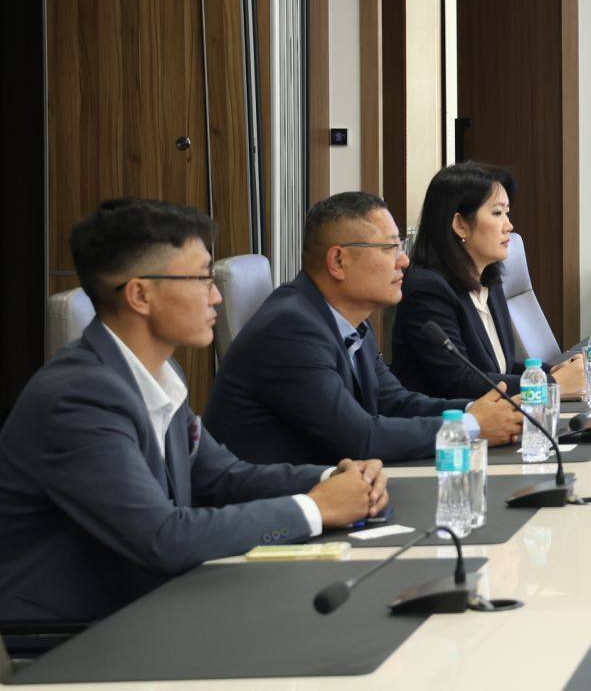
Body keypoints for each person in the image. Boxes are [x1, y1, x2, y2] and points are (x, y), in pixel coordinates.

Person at [0, 199, 386, 626]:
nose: (216, 295)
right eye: (202, 278)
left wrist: (334, 479)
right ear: (140, 294)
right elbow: (163, 537)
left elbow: (223, 477)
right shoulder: (78, 398)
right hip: (65, 637)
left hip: (146, 609)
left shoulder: (158, 372)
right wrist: (314, 509)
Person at [204, 192, 523, 465]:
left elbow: (395, 403)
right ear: (338, 262)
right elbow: (360, 437)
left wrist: (477, 409)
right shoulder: (290, 330)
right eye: (390, 248)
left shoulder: (347, 318)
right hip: (276, 506)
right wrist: (471, 425)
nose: (403, 261)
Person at [390, 162, 582, 400]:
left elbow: (501, 368)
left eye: (507, 213)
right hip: (449, 421)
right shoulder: (427, 289)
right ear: (460, 224)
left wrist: (551, 371)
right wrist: (553, 384)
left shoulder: (489, 280)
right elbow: (460, 382)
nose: (508, 226)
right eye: (497, 213)